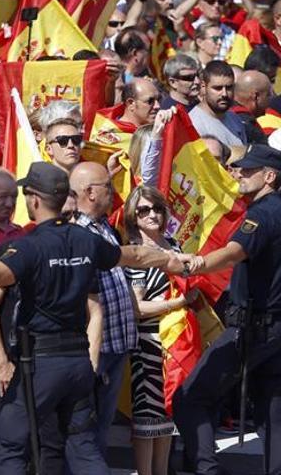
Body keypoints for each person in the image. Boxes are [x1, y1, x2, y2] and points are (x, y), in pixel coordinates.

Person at [0, 161, 186, 474]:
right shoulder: (86, 240)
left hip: (40, 363)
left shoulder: (27, 247)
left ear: (33, 200)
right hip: (78, 362)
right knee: (83, 446)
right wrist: (178, 260)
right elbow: (138, 255)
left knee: (9, 444)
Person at [173, 145, 281, 475]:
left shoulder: (261, 215)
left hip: (254, 328)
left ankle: (207, 469)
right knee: (271, 401)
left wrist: (196, 264)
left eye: (248, 171)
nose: (239, 175)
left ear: (269, 176)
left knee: (190, 398)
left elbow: (234, 252)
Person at [70, 161, 140, 459]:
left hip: (117, 344)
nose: (113, 193)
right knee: (86, 426)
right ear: (89, 192)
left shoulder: (103, 227)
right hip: (96, 348)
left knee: (103, 424)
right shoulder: (76, 233)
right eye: (107, 187)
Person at [122, 185, 191, 475]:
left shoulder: (173, 245)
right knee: (147, 420)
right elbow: (137, 309)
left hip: (175, 344)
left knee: (166, 420)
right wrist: (178, 302)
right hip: (148, 345)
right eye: (143, 210)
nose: (152, 215)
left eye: (157, 209)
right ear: (132, 216)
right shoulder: (135, 253)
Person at [189, 61, 246, 150]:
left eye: (229, 88)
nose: (224, 94)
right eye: (218, 88)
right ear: (203, 87)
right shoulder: (194, 124)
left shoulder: (235, 119)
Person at [232, 70, 272, 146]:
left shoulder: (222, 115)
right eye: (268, 95)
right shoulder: (248, 127)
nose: (270, 100)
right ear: (256, 96)